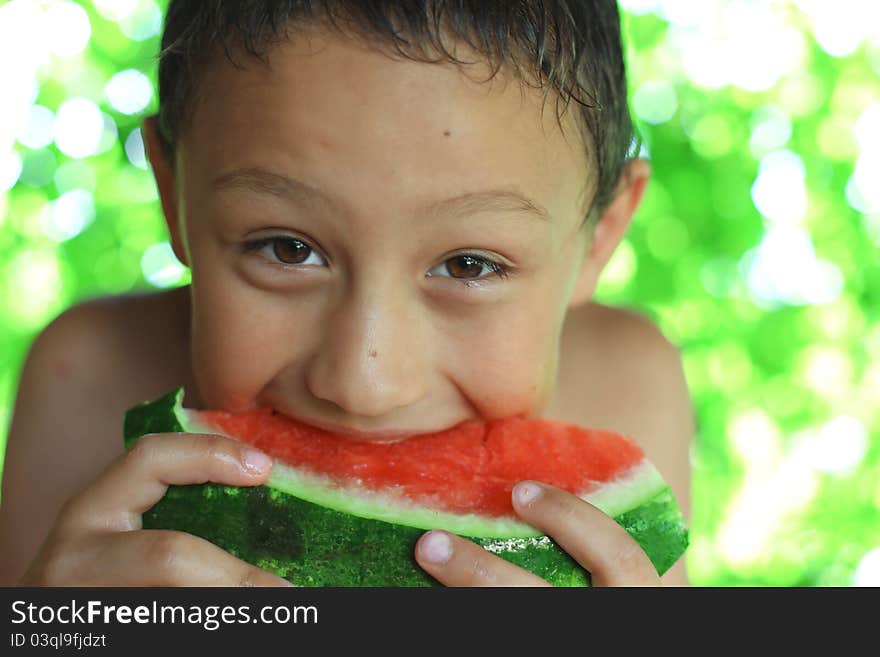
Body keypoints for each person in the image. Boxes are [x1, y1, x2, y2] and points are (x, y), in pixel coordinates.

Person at [0, 0, 693, 586]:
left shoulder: (632, 382)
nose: (364, 382)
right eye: (287, 248)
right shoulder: (84, 371)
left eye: (469, 265)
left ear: (598, 236)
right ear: (171, 195)